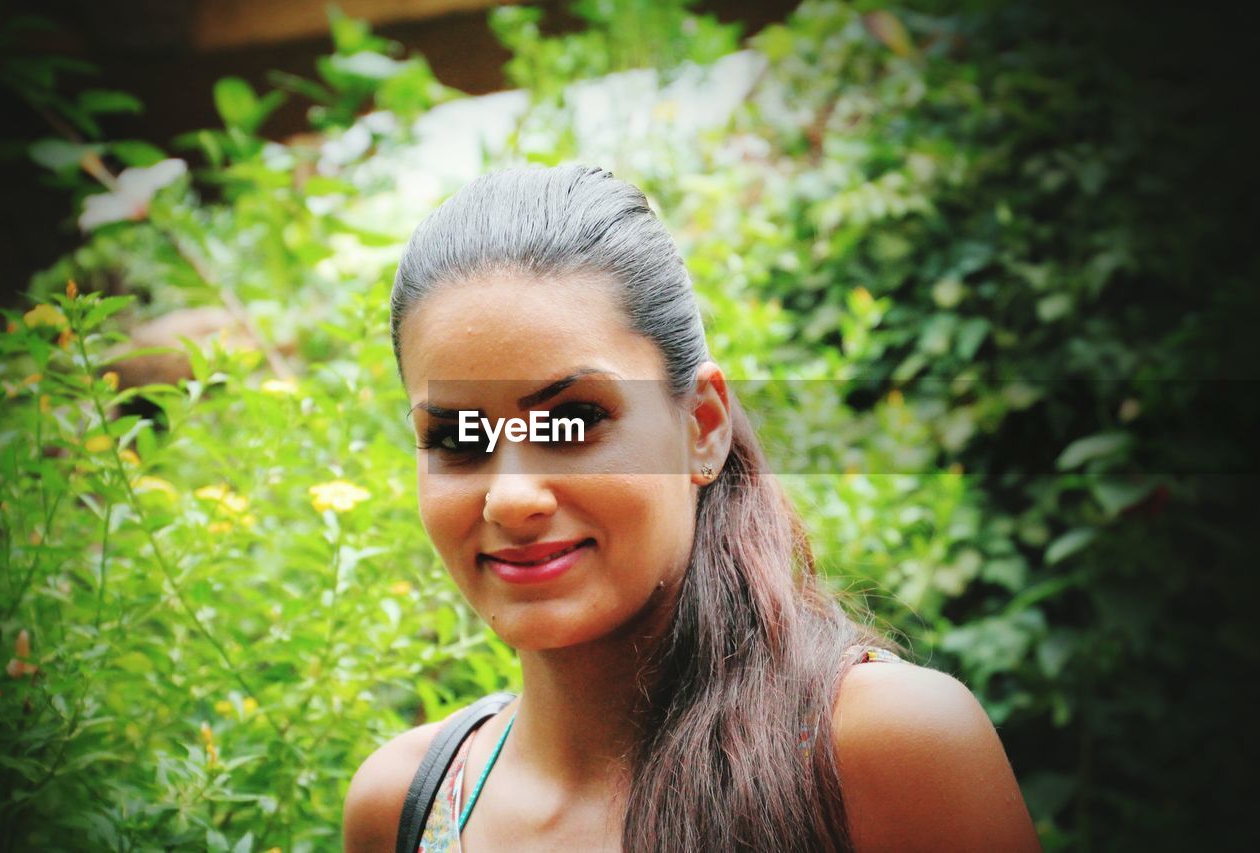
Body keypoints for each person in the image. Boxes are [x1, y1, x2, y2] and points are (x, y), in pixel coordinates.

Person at [343, 165, 1038, 852]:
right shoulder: (407, 805)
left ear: (702, 425)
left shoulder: (879, 748)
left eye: (576, 418)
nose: (513, 496)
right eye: (458, 438)